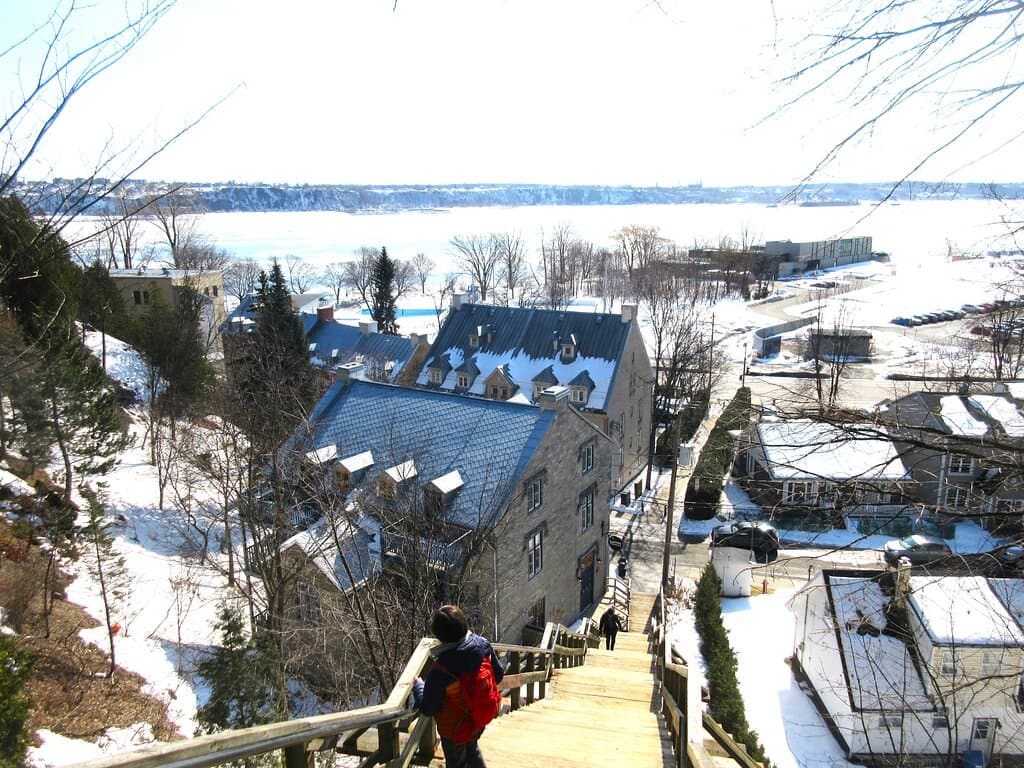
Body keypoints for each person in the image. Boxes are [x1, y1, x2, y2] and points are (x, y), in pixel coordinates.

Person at [413, 605, 505, 768]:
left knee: (457, 762)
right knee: (472, 748)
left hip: (454, 728)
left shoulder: (440, 669)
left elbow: (429, 707)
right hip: (479, 716)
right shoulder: (483, 645)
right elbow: (498, 675)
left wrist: (419, 686)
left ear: (439, 635)